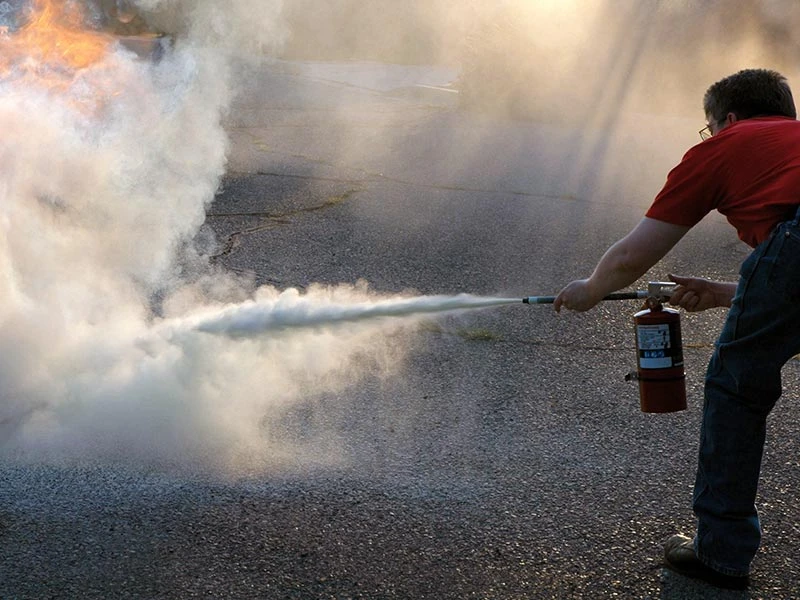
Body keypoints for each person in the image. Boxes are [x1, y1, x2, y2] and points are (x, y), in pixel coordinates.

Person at [554, 68, 800, 591]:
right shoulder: (789, 148)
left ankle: (721, 552)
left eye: (709, 126)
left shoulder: (724, 147)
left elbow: (632, 255)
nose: (710, 136)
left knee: (736, 389)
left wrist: (591, 289)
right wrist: (724, 291)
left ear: (727, 120)